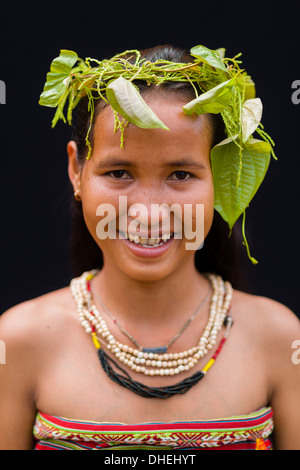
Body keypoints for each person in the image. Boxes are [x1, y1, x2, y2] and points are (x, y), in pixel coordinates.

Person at [0, 44, 299, 451]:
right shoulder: (17, 343)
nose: (148, 212)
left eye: (180, 174)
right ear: (77, 170)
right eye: (119, 172)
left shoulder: (281, 341)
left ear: (223, 176)